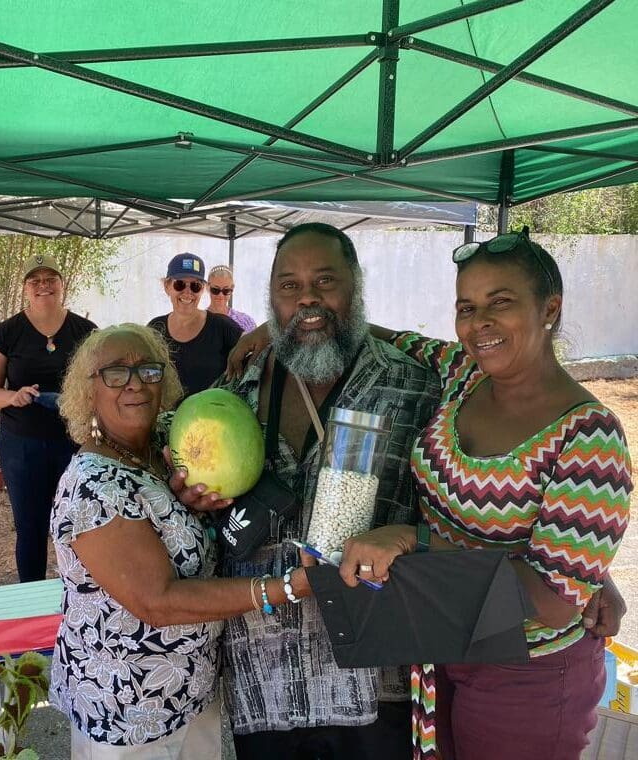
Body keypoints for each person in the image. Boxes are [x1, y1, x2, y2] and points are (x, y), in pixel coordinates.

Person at [329, 228, 633, 760]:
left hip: (527, 672)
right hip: (444, 640)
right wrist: (271, 329)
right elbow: (394, 338)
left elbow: (551, 601)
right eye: (466, 308)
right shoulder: (464, 374)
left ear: (550, 308)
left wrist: (415, 540)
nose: (479, 323)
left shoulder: (589, 437)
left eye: (501, 302)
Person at [172, 222, 443, 759]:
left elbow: (464, 507)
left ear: (355, 284)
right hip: (264, 682)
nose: (307, 299)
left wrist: (580, 572)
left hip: (373, 681)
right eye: (289, 286)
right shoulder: (235, 391)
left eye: (325, 281)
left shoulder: (414, 386)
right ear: (271, 297)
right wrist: (192, 498)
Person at [50, 323, 312, 759]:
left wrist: (270, 330)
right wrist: (284, 587)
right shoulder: (93, 487)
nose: (135, 383)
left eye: (148, 370)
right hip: (129, 711)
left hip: (191, 694)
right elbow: (159, 602)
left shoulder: (166, 442)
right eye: (115, 372)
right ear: (88, 391)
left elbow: (224, 409)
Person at [0, 253, 96, 582]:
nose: (43, 286)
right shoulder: (7, 333)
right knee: (30, 527)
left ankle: (82, 593)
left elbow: (101, 382)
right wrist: (12, 397)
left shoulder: (86, 332)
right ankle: (32, 597)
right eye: (35, 281)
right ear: (25, 288)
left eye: (50, 279)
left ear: (62, 284)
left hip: (75, 444)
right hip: (22, 446)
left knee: (79, 524)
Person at [148, 253, 242, 395]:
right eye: (179, 284)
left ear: (203, 289)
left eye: (195, 286)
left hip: (213, 409)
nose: (187, 293)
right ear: (167, 286)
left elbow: (255, 355)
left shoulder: (222, 327)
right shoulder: (156, 328)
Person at [207, 264, 257, 332]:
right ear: (208, 287)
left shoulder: (246, 322)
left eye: (226, 290)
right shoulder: (199, 321)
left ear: (232, 289)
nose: (221, 295)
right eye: (215, 290)